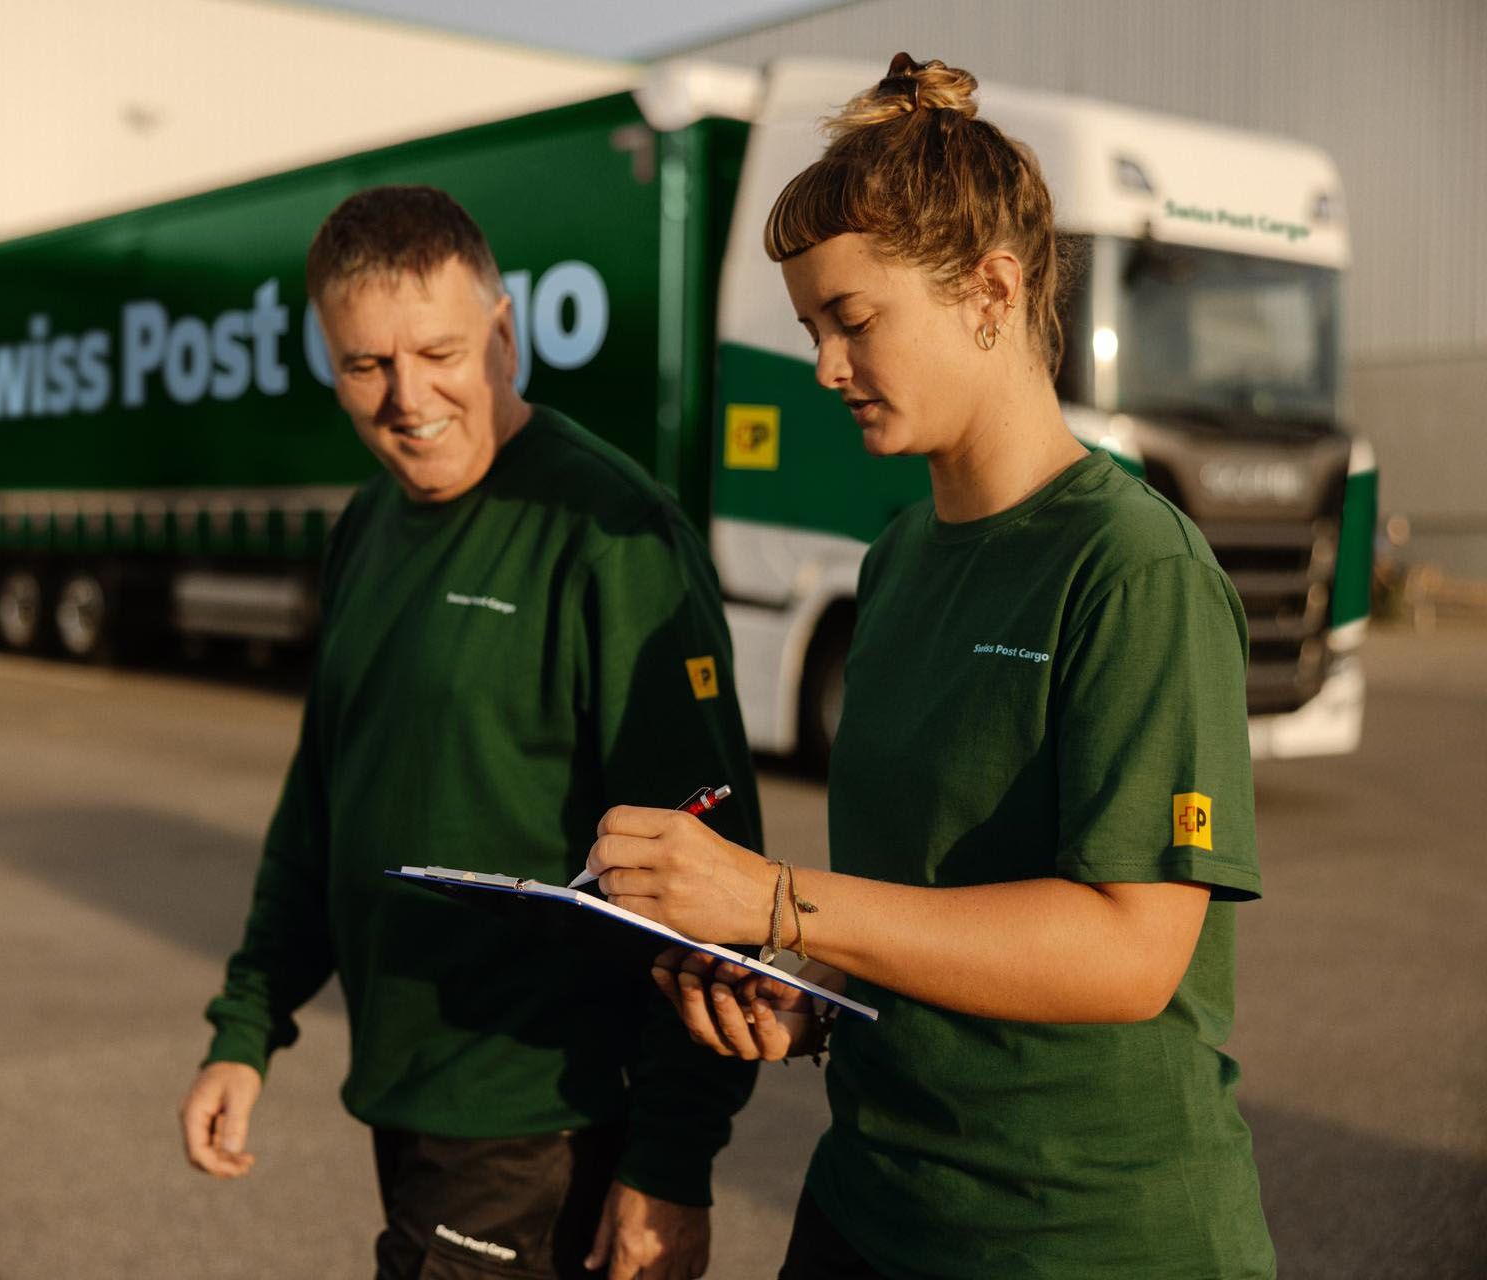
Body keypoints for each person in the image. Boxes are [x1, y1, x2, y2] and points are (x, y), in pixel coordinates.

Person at [583, 55, 1278, 1280]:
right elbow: (931, 891)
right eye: (811, 329)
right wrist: (810, 985)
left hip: (1079, 1236)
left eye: (853, 321)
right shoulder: (898, 558)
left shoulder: (1134, 568)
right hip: (872, 1200)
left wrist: (775, 900)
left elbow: (1131, 952)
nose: (824, 367)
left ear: (992, 290)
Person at [179, 185, 761, 1280]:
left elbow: (711, 873)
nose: (408, 398)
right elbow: (322, 804)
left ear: (504, 334)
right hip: (406, 1091)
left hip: (544, 1117)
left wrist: (672, 1162)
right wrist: (246, 1028)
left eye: (438, 352)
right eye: (366, 364)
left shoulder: (614, 536)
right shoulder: (367, 525)